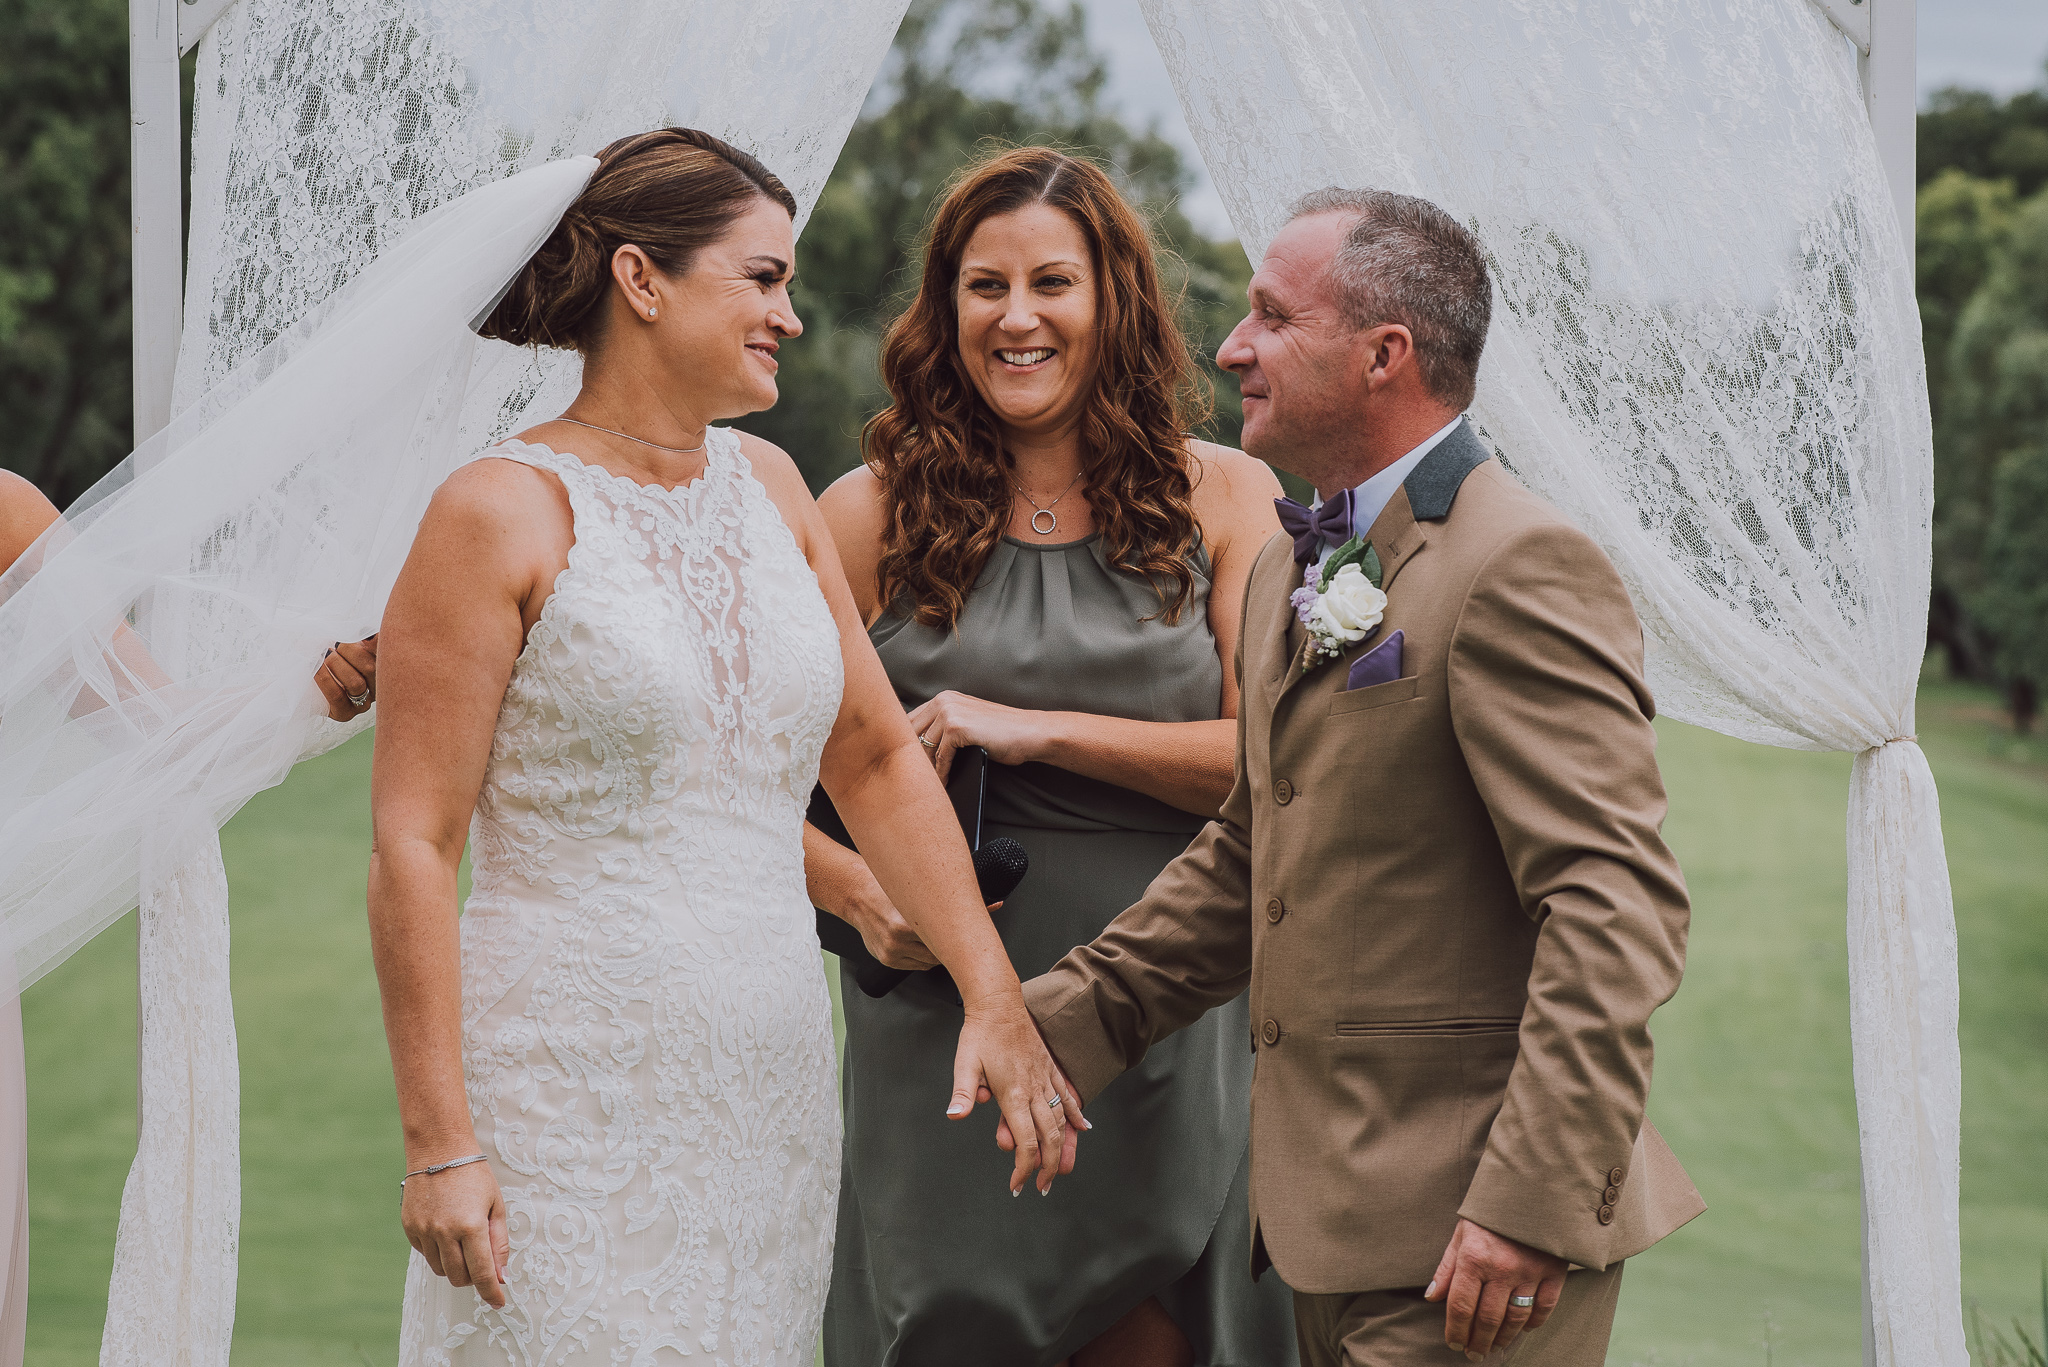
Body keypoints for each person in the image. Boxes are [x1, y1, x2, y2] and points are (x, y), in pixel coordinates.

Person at [370, 129, 1080, 1365]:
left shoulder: (770, 485)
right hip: (566, 1087)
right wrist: (441, 1139)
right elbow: (413, 843)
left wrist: (993, 994)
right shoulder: (495, 511)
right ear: (642, 281)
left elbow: (869, 759)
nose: (789, 317)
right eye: (761, 279)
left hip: (767, 1080)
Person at [1019, 188, 1705, 1367]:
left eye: (1270, 316)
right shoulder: (1290, 553)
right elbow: (1255, 847)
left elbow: (1613, 908)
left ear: (1383, 354)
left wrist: (1524, 1204)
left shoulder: (1518, 563)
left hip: (1479, 1249)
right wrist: (1050, 1025)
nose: (1229, 347)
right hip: (1327, 1235)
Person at [810, 147, 1297, 1367]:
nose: (1015, 317)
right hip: (937, 1020)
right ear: (943, 309)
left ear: (1111, 302)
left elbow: (1273, 762)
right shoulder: (861, 515)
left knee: (1153, 1330)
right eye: (983, 287)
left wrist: (1032, 726)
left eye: (1050, 284)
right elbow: (741, 782)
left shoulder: (1229, 499)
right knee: (953, 1322)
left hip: (1166, 1003)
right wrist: (864, 897)